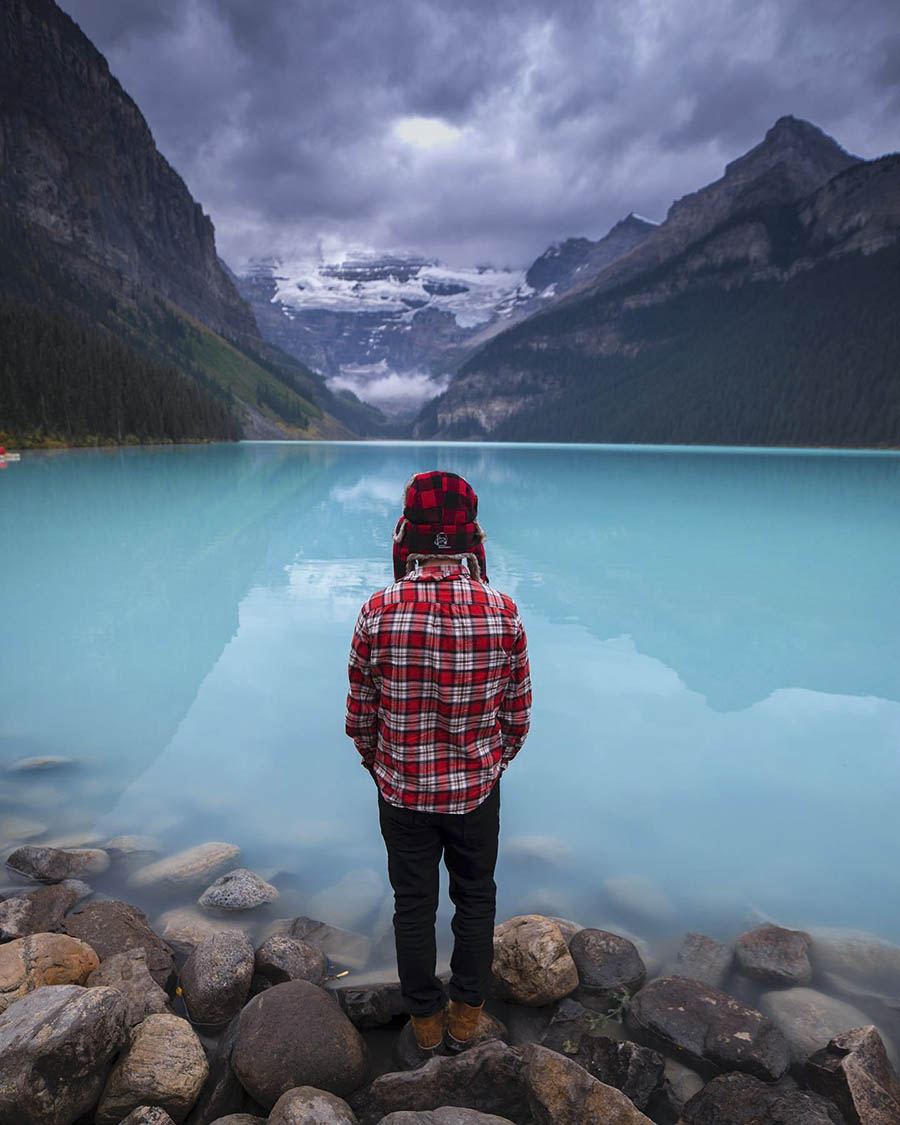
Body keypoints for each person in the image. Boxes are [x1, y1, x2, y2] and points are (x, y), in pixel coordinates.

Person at [345, 470, 532, 1056]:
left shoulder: (377, 611)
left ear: (409, 536)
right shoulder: (504, 612)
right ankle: (466, 1017)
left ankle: (424, 1022)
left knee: (413, 904)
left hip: (402, 793)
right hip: (475, 792)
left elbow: (359, 720)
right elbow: (518, 719)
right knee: (475, 897)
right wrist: (487, 765)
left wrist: (388, 768)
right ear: (470, 538)